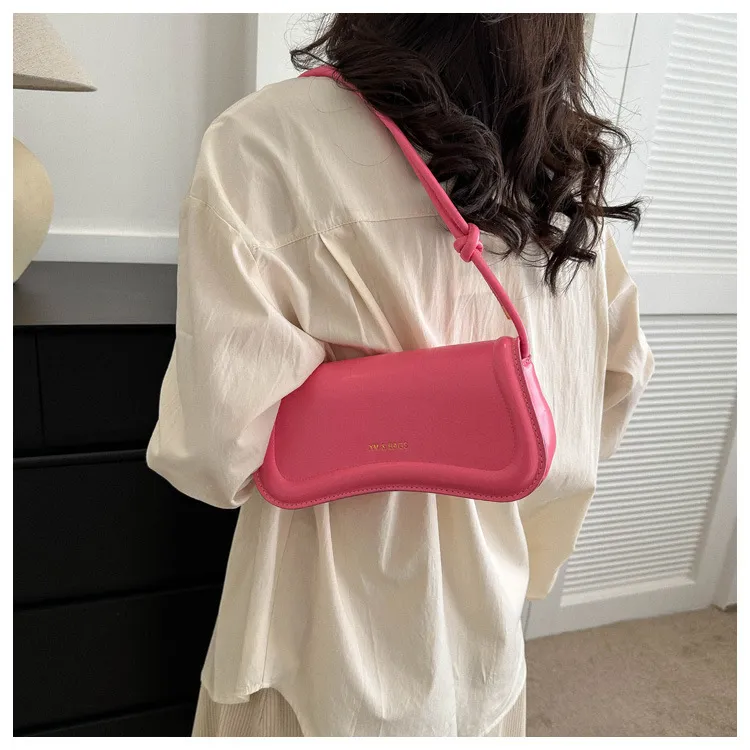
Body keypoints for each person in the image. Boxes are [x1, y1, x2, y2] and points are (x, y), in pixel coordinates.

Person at [147, 13, 654, 737]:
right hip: (487, 628)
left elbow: (212, 453)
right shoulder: (562, 172)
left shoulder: (263, 140)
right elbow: (611, 384)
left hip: (307, 644)